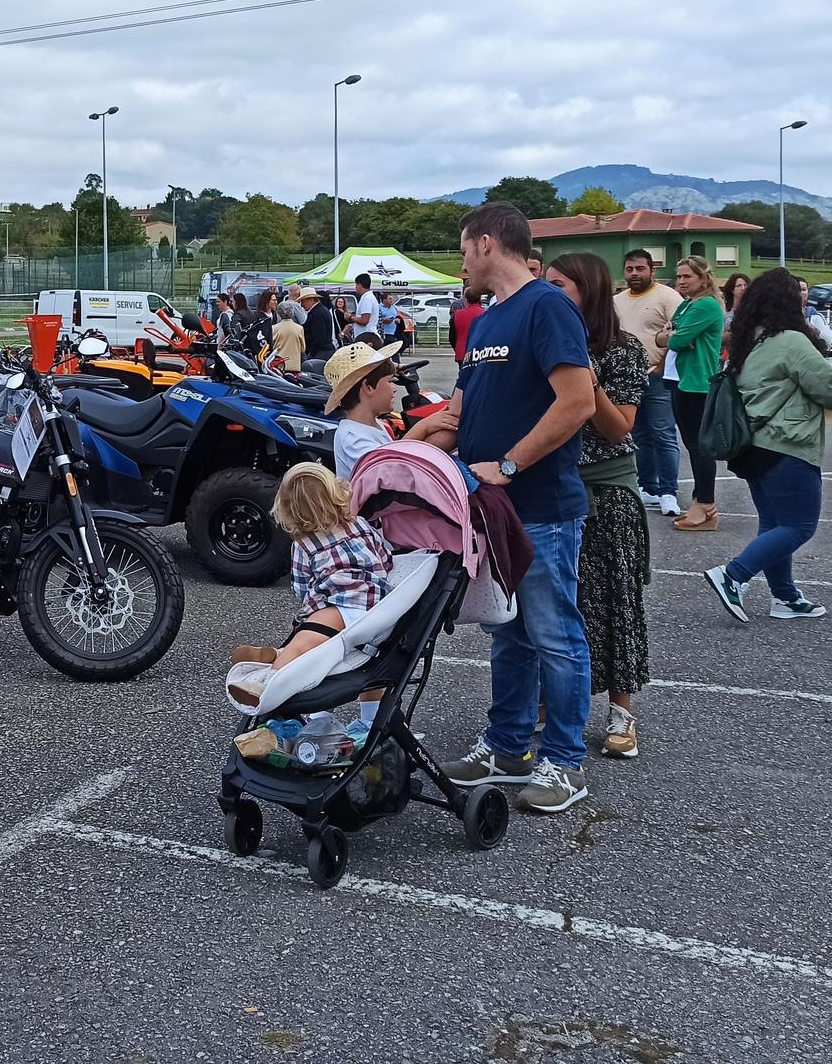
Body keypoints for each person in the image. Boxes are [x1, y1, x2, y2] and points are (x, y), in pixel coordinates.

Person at [435, 201, 596, 815]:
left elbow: (577, 402)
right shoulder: (484, 320)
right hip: (490, 509)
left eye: (463, 249)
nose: (461, 262)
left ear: (485, 244)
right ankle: (506, 747)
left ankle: (564, 762)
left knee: (555, 635)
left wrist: (508, 465)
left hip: (541, 505)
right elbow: (458, 413)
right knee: (508, 634)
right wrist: (393, 449)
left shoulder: (547, 306)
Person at [703, 269, 832, 623]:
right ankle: (733, 575)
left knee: (774, 523)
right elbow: (829, 391)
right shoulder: (791, 340)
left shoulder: (750, 340)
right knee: (799, 526)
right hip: (786, 444)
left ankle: (786, 597)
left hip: (751, 445)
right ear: (789, 301)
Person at [547, 254, 651, 761]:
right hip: (553, 490)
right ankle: (551, 706)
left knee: (614, 603)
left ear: (587, 290)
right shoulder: (545, 342)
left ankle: (621, 713)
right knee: (556, 604)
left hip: (607, 496)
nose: (547, 292)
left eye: (558, 284)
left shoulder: (622, 351)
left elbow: (620, 427)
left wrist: (589, 380)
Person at [228, 462, 396, 740]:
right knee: (369, 670)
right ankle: (369, 723)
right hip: (378, 612)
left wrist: (311, 611)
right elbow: (385, 558)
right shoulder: (361, 524)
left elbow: (303, 588)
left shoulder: (305, 543)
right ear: (336, 493)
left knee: (304, 646)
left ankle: (269, 678)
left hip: (339, 609)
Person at [613, 250, 683, 515]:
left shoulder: (667, 296)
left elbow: (678, 333)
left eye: (640, 268)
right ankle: (648, 488)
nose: (634, 274)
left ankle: (668, 492)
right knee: (639, 436)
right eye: (630, 269)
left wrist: (662, 366)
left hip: (657, 376)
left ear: (651, 271)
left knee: (663, 434)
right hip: (628, 378)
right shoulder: (616, 301)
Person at [323, 341, 454, 478]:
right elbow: (389, 470)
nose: (395, 388)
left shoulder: (375, 423)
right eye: (390, 381)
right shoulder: (352, 438)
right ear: (368, 387)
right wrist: (423, 427)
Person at [664, 258, 724, 532]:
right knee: (691, 444)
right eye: (679, 276)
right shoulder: (687, 304)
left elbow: (673, 339)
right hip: (678, 378)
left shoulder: (706, 305)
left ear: (703, 277)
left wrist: (674, 335)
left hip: (697, 382)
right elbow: (665, 335)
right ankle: (699, 502)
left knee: (700, 446)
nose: (682, 281)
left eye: (687, 276)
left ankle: (706, 504)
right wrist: (673, 335)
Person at [267, 298, 308, 372]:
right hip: (295, 365)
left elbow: (271, 347)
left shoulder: (274, 328)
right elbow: (303, 348)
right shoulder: (299, 328)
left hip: (279, 365)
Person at [300, 285, 338, 361]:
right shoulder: (321, 310)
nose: (301, 305)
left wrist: (311, 353)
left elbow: (319, 338)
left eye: (303, 302)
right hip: (324, 351)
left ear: (311, 300)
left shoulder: (317, 313)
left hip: (320, 353)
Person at [450, 291, 485, 366]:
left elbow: (452, 337)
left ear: (466, 298)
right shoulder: (485, 313)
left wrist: (457, 348)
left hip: (461, 352)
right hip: (480, 352)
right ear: (479, 298)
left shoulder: (457, 314)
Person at [798, 278, 832, 343]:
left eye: (803, 290)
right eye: (797, 290)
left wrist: (808, 326)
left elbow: (828, 341)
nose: (801, 293)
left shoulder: (815, 316)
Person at [349, 273, 381, 345]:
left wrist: (350, 317)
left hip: (366, 337)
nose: (355, 287)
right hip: (366, 336)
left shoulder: (367, 299)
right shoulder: (368, 297)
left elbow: (364, 320)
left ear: (359, 285)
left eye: (356, 285)